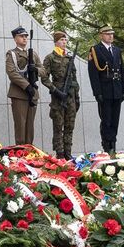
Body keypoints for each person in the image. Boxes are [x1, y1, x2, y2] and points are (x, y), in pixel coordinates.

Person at [87, 26, 124, 155]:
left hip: (117, 89)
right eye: (107, 34)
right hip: (105, 90)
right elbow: (93, 73)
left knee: (115, 120)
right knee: (106, 120)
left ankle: (113, 145)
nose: (110, 36)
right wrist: (97, 92)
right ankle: (106, 146)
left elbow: (121, 71)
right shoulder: (95, 50)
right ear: (101, 35)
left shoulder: (116, 50)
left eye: (112, 34)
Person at [5, 26, 47, 145]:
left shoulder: (33, 53)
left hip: (32, 94)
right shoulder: (12, 54)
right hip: (19, 93)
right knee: (20, 125)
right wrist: (26, 86)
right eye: (21, 36)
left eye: (26, 36)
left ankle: (29, 149)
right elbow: (12, 73)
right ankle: (20, 151)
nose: (24, 38)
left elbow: (43, 70)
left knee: (30, 125)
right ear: (15, 38)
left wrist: (36, 70)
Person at [42, 31, 79, 160]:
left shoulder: (69, 58)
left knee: (70, 125)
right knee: (58, 126)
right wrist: (55, 90)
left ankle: (68, 153)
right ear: (56, 42)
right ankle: (60, 153)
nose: (64, 42)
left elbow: (74, 80)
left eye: (65, 40)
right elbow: (44, 78)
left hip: (70, 96)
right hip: (58, 97)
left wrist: (77, 97)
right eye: (62, 40)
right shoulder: (50, 58)